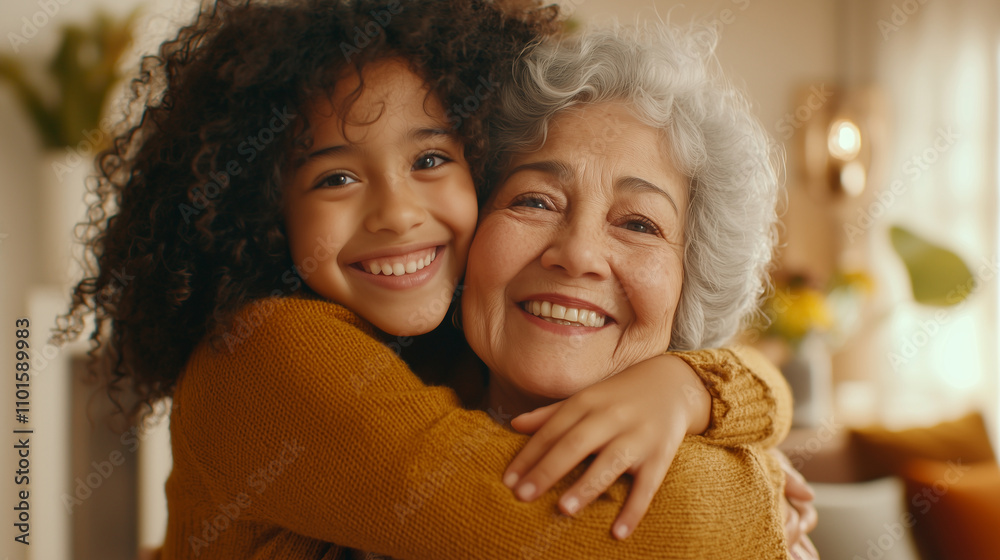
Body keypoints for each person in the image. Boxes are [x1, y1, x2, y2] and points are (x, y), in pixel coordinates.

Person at [53, 0, 809, 558]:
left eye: (429, 161)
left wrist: (696, 390)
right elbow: (556, 529)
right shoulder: (273, 347)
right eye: (536, 200)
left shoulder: (433, 362)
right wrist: (761, 489)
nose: (396, 213)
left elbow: (751, 372)